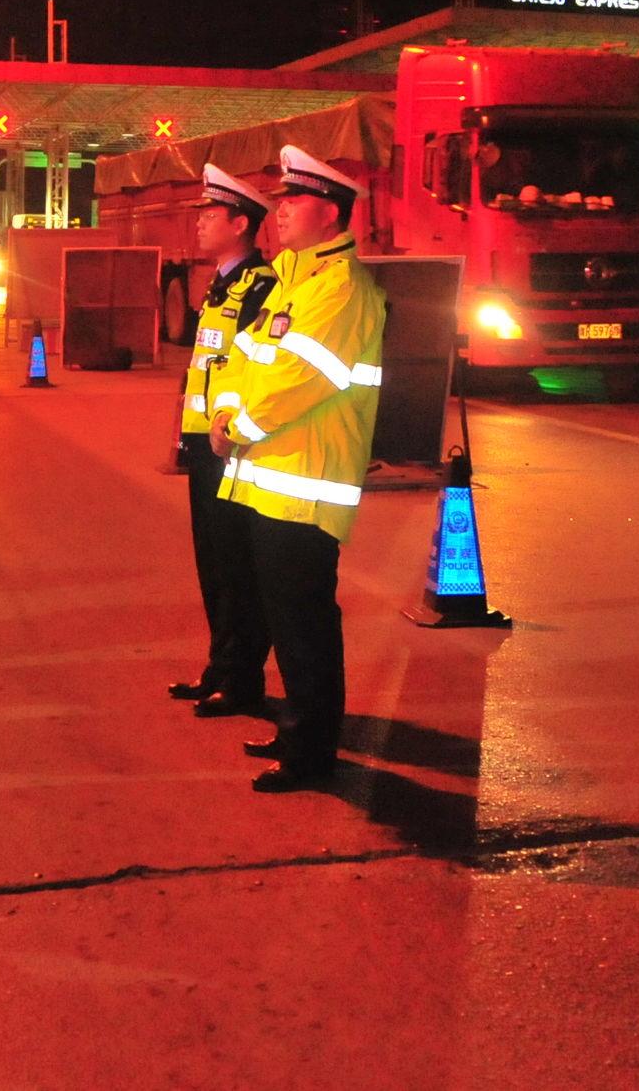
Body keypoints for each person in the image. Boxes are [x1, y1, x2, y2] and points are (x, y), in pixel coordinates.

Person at [210, 145, 387, 793]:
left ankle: (312, 752)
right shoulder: (293, 279)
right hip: (271, 479)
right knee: (288, 621)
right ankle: (296, 732)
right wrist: (227, 412)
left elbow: (301, 378)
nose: (278, 210)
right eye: (280, 199)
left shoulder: (340, 288)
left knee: (306, 623)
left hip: (306, 483)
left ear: (331, 212)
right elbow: (242, 359)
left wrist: (241, 427)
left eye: (293, 200)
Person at [167, 163, 277, 719]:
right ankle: (220, 666)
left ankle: (242, 680)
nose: (200, 226)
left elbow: (258, 372)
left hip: (233, 448)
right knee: (212, 563)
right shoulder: (220, 286)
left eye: (210, 216)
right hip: (203, 444)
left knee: (236, 566)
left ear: (240, 223)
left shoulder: (261, 287)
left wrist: (231, 432)